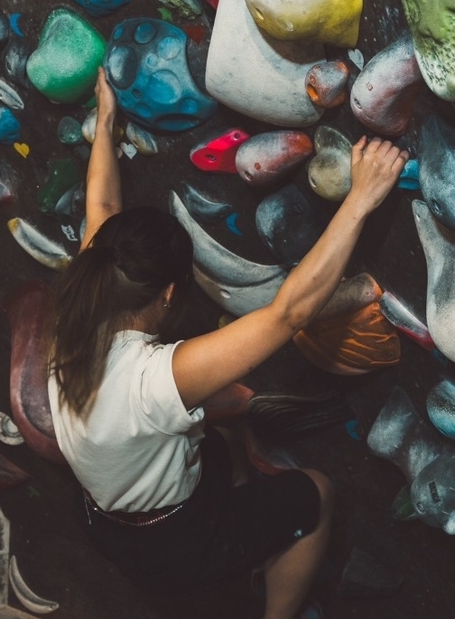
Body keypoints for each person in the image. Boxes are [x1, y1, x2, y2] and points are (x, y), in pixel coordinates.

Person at [47, 68, 409, 619]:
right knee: (315, 492)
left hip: (106, 513)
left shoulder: (78, 306)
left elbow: (100, 210)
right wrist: (360, 199)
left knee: (223, 428)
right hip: (170, 547)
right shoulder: (152, 380)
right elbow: (288, 313)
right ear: (169, 294)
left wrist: (105, 122)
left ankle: (238, 497)